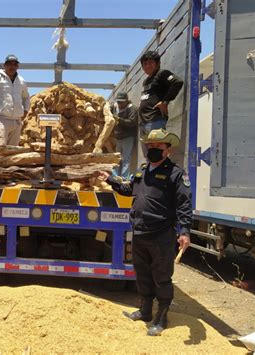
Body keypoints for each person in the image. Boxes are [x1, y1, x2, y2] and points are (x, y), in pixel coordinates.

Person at [99, 129, 192, 336]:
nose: (153, 149)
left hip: (161, 234)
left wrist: (184, 230)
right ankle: (145, 311)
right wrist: (110, 180)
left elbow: (184, 204)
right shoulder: (142, 170)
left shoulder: (176, 173)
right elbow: (128, 189)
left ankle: (161, 317)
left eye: (158, 146)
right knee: (142, 274)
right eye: (150, 146)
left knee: (161, 277)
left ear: (167, 149)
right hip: (139, 232)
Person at [0, 54, 30, 155]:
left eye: (15, 64)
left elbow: (26, 97)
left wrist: (25, 111)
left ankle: (8, 171)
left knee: (12, 153)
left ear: (17, 66)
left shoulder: (21, 81)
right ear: (4, 65)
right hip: (2, 120)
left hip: (17, 122)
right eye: (9, 64)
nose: (12, 66)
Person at [138, 51, 183, 147]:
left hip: (155, 121)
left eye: (150, 63)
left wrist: (165, 102)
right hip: (144, 122)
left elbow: (177, 82)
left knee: (157, 151)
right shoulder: (146, 81)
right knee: (149, 154)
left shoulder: (162, 73)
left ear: (157, 63)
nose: (147, 66)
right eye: (145, 64)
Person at [111, 92, 138, 178]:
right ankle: (115, 177)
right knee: (117, 158)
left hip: (127, 137)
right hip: (118, 137)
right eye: (118, 102)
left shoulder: (132, 108)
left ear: (126, 101)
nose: (120, 104)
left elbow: (132, 122)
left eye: (122, 102)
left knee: (126, 158)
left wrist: (119, 119)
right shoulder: (114, 107)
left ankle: (124, 178)